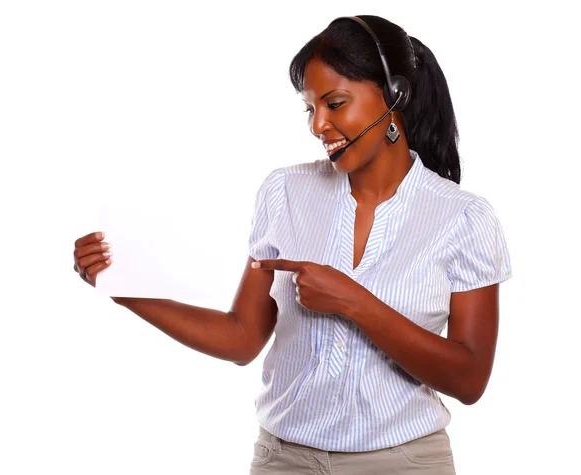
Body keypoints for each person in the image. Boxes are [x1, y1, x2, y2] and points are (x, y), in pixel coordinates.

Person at [73, 15, 512, 475]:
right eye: (309, 108)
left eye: (335, 103)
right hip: (284, 460)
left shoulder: (463, 217)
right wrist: (123, 289)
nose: (318, 125)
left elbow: (470, 378)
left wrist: (354, 302)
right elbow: (242, 336)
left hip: (403, 463)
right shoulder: (285, 192)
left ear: (395, 96)